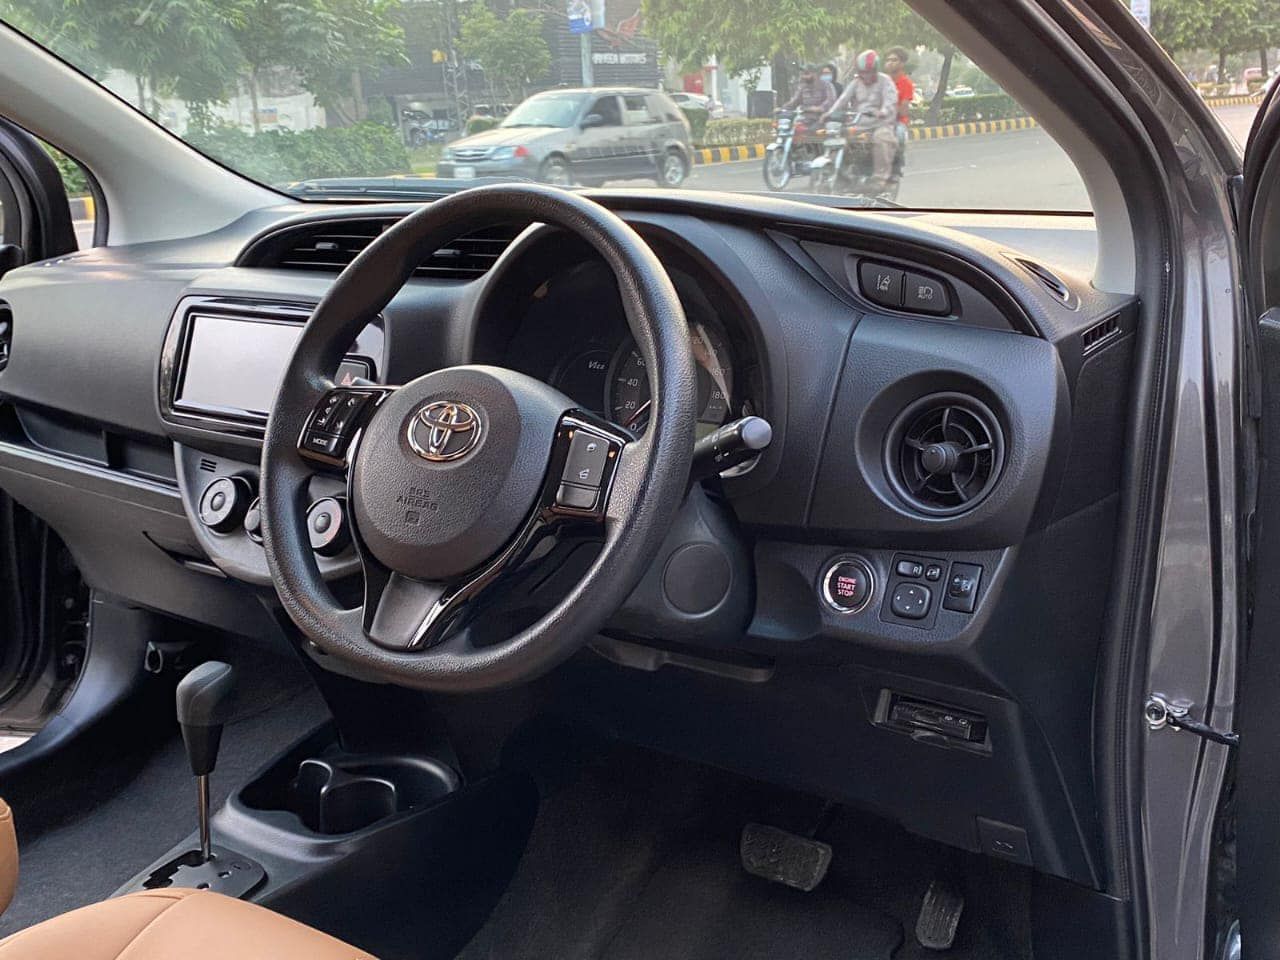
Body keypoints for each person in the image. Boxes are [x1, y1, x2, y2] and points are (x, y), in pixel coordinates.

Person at [821, 49, 899, 190]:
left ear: (875, 69)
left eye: (868, 72)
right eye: (863, 72)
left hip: (881, 124)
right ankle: (841, 173)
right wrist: (829, 113)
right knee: (837, 139)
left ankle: (879, 179)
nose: (865, 75)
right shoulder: (856, 82)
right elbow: (843, 99)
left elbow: (890, 100)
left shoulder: (885, 81)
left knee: (881, 139)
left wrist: (883, 112)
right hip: (859, 124)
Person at [884, 46, 914, 181]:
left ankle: (896, 167)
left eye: (894, 60)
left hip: (896, 121)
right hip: (877, 120)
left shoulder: (906, 83)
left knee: (900, 135)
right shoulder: (881, 81)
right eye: (888, 60)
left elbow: (904, 109)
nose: (890, 63)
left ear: (902, 63)